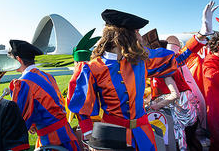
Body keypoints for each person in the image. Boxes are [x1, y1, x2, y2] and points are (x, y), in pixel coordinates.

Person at [67, 9, 178, 151]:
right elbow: (81, 106)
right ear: (124, 36)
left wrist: (200, 37)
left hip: (143, 133)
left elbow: (175, 59)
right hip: (111, 135)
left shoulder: (141, 60)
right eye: (137, 31)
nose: (140, 36)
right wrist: (89, 133)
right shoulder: (93, 68)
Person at [8, 40, 80, 151]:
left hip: (51, 139)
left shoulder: (23, 82)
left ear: (18, 60)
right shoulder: (47, 76)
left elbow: (21, 121)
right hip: (66, 132)